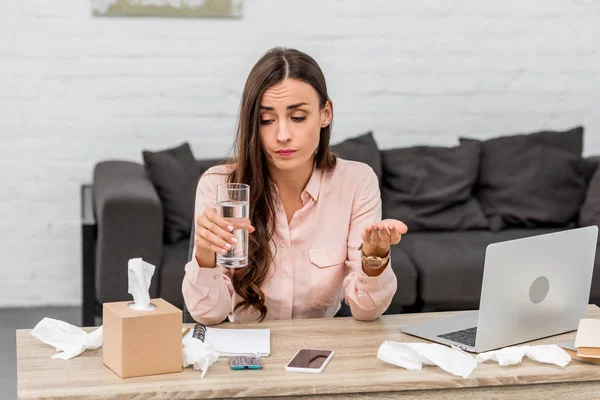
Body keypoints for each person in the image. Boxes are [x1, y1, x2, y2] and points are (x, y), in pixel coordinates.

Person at [182, 47, 408, 325]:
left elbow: (366, 310)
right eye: (266, 120)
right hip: (246, 351)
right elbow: (208, 314)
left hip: (321, 350)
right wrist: (205, 254)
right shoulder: (220, 186)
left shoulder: (357, 182)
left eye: (298, 117)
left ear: (326, 114)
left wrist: (374, 257)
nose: (282, 135)